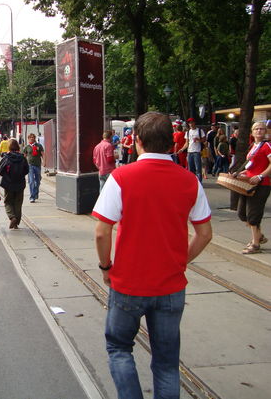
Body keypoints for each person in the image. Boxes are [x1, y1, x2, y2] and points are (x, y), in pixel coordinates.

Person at [92, 112, 212, 399]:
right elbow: (205, 234)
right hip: (171, 286)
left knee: (120, 348)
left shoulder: (121, 177)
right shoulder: (189, 180)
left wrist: (105, 266)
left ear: (137, 142)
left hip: (128, 284)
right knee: (167, 362)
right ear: (172, 143)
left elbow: (101, 231)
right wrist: (181, 260)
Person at [234, 121, 271, 254]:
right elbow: (252, 165)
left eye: (262, 129)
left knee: (253, 214)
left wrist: (261, 176)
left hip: (262, 184)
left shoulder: (266, 146)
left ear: (265, 131)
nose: (259, 131)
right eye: (256, 129)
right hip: (248, 183)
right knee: (242, 213)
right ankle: (259, 237)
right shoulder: (253, 146)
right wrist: (243, 172)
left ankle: (255, 244)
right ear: (252, 132)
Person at [0, 139, 29, 229]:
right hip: (20, 184)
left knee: (8, 201)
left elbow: (0, 170)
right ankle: (16, 223)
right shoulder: (22, 158)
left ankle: (12, 217)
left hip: (8, 184)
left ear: (9, 147)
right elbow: (26, 170)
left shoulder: (6, 158)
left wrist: (7, 176)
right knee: (18, 203)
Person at [179, 117, 205, 182]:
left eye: (191, 122)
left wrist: (198, 140)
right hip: (189, 152)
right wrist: (182, 149)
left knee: (198, 169)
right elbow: (186, 143)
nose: (190, 124)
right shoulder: (187, 132)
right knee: (191, 169)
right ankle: (192, 182)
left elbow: (204, 140)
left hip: (197, 152)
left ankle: (199, 183)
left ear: (194, 123)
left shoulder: (199, 131)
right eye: (189, 123)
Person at [23, 133, 45, 203]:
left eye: (33, 137)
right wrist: (23, 164)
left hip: (37, 165)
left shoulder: (39, 146)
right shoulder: (27, 147)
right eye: (30, 137)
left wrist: (44, 162)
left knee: (37, 181)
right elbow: (24, 156)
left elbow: (43, 154)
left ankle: (36, 192)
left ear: (34, 138)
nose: (32, 138)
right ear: (28, 138)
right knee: (31, 181)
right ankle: (32, 197)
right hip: (30, 166)